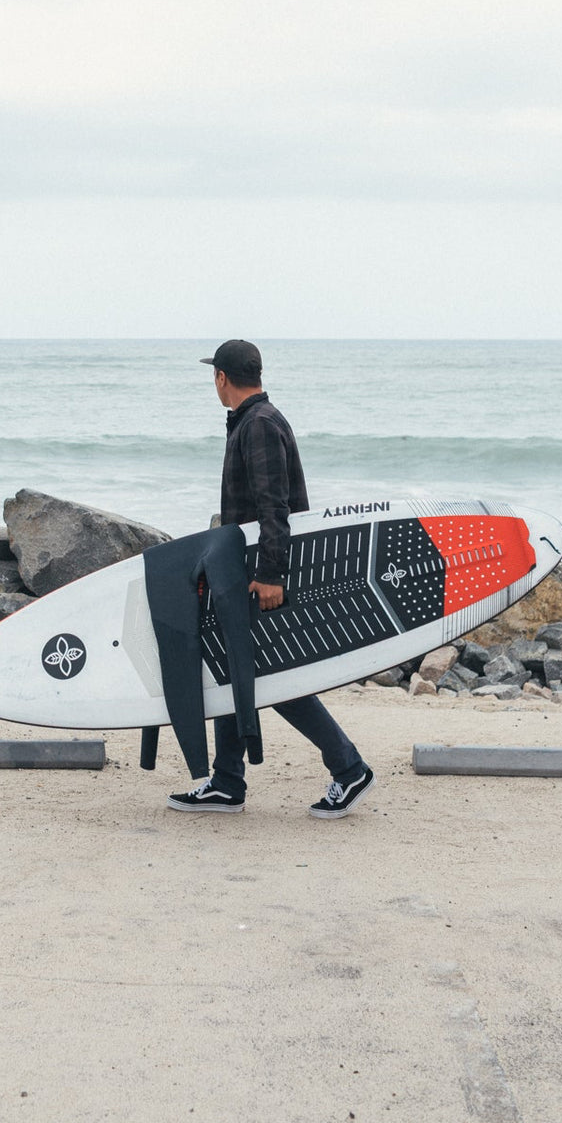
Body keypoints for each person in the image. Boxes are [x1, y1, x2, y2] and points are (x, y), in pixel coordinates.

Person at [167, 339, 375, 818]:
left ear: (222, 377)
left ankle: (349, 768)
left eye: (213, 377)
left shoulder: (258, 424)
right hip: (242, 572)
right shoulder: (253, 420)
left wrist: (271, 573)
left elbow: (273, 506)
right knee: (235, 669)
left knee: (265, 675)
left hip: (260, 576)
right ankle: (227, 782)